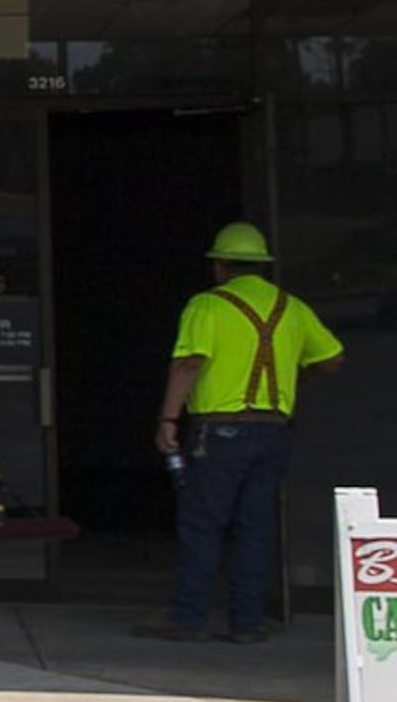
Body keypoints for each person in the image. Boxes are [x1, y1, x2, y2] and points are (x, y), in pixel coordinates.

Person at [143, 221, 344, 643]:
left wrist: (166, 420)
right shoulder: (291, 307)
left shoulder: (207, 306)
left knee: (203, 525)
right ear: (260, 267)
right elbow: (331, 359)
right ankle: (247, 623)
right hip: (273, 431)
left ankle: (187, 616)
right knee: (255, 528)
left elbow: (188, 364)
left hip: (218, 432)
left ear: (219, 266)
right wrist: (291, 380)